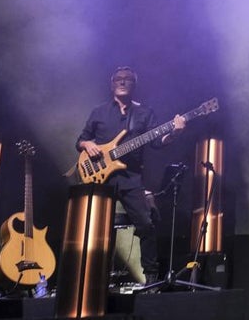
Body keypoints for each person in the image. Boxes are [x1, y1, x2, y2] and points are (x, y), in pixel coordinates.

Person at [77, 67, 186, 283]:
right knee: (97, 230)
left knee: (146, 224)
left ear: (134, 84)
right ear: (112, 84)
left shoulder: (144, 113)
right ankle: (92, 278)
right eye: (119, 79)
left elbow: (157, 141)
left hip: (131, 179)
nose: (123, 82)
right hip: (100, 179)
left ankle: (152, 279)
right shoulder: (99, 112)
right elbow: (80, 140)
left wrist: (174, 132)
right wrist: (88, 145)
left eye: (128, 79)